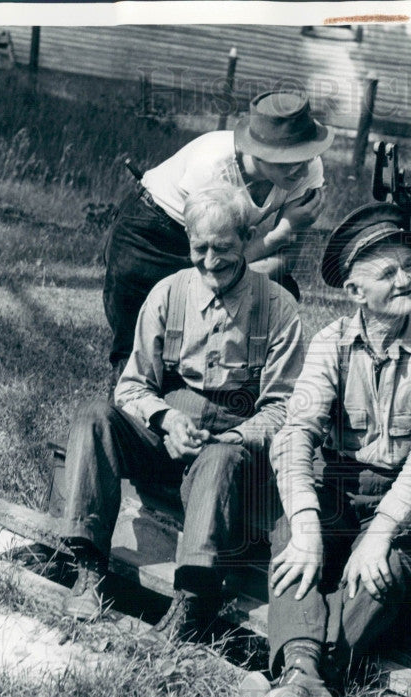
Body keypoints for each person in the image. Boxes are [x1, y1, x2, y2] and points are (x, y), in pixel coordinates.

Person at [241, 203, 411, 697]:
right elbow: (296, 433)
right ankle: (310, 680)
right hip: (341, 486)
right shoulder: (331, 343)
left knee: (380, 571)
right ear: (354, 293)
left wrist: (380, 534)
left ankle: (298, 675)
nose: (407, 279)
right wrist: (303, 523)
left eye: (408, 267)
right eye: (388, 273)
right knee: (291, 547)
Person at [58, 184, 304, 641]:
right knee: (94, 415)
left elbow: (284, 407)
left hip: (233, 454)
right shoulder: (167, 296)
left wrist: (231, 438)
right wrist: (165, 420)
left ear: (248, 238)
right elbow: (132, 386)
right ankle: (89, 568)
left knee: (219, 459)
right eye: (200, 248)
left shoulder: (277, 308)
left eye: (224, 249)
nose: (211, 262)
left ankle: (191, 601)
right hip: (167, 437)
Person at [102, 90, 332, 379]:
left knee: (281, 289)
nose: (300, 168)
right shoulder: (212, 165)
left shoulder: (308, 170)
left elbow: (284, 262)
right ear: (256, 151)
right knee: (141, 351)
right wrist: (280, 234)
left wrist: (242, 284)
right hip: (152, 235)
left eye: (306, 155)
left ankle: (237, 380)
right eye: (288, 160)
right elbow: (212, 262)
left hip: (225, 246)